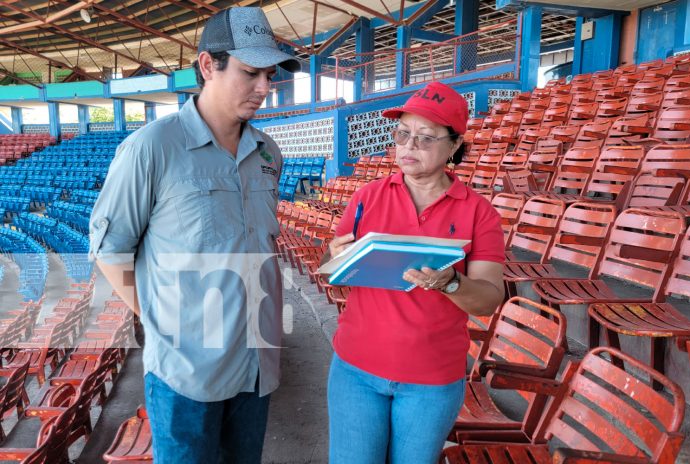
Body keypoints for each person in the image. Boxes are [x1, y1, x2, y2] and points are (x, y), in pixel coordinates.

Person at [88, 7, 299, 464]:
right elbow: (110, 251)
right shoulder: (152, 148)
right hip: (186, 374)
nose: (264, 88)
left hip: (256, 364)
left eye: (269, 74)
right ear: (208, 65)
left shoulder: (268, 152)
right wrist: (167, 323)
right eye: (250, 73)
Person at [324, 81, 505, 463]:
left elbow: (489, 299)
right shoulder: (366, 197)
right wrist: (337, 257)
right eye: (402, 134)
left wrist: (451, 282)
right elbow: (336, 274)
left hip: (431, 378)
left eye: (425, 138)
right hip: (356, 368)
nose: (409, 146)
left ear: (455, 146)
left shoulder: (478, 213)